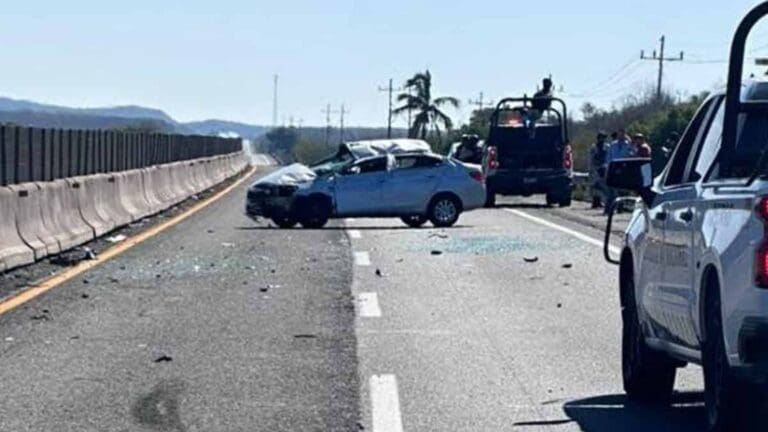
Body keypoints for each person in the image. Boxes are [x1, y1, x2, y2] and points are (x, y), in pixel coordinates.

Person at [604, 129, 635, 214]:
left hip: (623, 169)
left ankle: (620, 209)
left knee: (621, 191)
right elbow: (608, 157)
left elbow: (633, 153)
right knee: (611, 190)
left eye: (623, 134)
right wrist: (607, 168)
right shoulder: (613, 145)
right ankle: (608, 209)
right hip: (613, 168)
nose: (621, 135)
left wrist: (630, 142)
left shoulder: (628, 144)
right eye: (619, 134)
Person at [589, 132, 609, 209]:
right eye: (601, 137)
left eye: (604, 137)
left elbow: (608, 156)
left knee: (603, 185)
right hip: (595, 168)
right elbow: (591, 158)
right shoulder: (594, 147)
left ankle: (601, 201)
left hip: (604, 167)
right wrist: (591, 168)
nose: (602, 139)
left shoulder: (607, 146)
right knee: (595, 185)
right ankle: (595, 202)